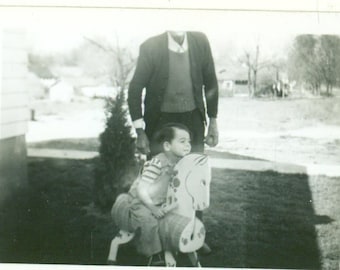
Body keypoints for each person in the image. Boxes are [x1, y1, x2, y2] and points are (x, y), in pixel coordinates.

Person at [128, 30, 219, 253]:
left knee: (195, 180)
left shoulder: (200, 41)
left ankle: (194, 235)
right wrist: (140, 131)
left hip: (193, 122)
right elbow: (135, 89)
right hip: (161, 124)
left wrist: (213, 121)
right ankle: (158, 236)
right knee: (160, 180)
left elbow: (211, 83)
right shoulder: (150, 46)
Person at [113, 123, 191, 264]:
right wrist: (152, 207)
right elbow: (142, 189)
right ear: (167, 146)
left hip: (160, 200)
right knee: (149, 221)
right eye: (182, 141)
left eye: (189, 141)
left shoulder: (179, 163)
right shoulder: (156, 164)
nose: (187, 145)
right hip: (141, 201)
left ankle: (188, 240)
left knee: (175, 217)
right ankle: (154, 254)